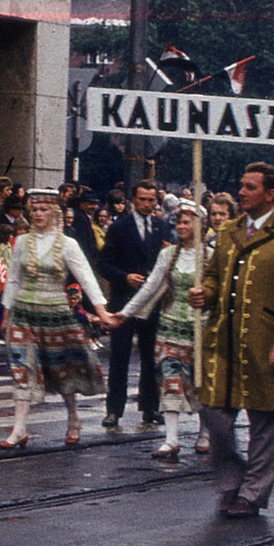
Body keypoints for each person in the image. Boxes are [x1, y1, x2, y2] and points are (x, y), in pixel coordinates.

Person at [189, 163, 274, 518]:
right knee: (213, 411)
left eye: (250, 187)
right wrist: (204, 293)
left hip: (265, 341)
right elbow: (213, 276)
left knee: (266, 421)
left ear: (270, 194)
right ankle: (230, 480)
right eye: (241, 185)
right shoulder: (227, 231)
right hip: (223, 341)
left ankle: (252, 493)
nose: (241, 192)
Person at [0, 189, 113, 449]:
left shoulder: (68, 244)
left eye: (44, 210)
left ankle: (73, 417)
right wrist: (6, 313)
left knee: (63, 371)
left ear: (54, 213)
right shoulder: (22, 242)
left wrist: (102, 311)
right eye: (35, 210)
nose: (39, 215)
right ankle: (19, 429)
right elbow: (13, 279)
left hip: (55, 315)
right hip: (24, 314)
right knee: (22, 369)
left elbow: (86, 277)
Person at [108, 201, 211, 460]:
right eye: (179, 222)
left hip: (201, 327)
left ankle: (204, 432)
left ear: (200, 226)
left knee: (201, 380)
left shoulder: (212, 255)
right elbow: (151, 287)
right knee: (169, 378)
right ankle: (171, 439)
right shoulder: (167, 255)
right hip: (171, 324)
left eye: (187, 222)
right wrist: (125, 313)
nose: (181, 227)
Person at [98, 179, 169, 427]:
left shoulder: (160, 226)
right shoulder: (120, 227)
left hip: (151, 302)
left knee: (151, 356)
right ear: (133, 200)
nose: (148, 204)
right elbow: (104, 263)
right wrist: (124, 277)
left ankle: (150, 407)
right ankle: (114, 409)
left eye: (152, 200)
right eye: (143, 199)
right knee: (120, 355)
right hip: (123, 299)